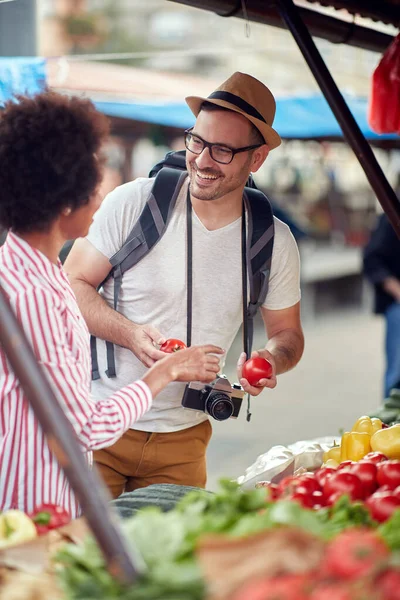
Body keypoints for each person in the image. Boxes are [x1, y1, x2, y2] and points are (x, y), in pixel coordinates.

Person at [65, 72, 305, 498]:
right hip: (97, 422)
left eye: (224, 150)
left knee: (165, 558)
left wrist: (271, 359)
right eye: (197, 140)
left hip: (185, 437)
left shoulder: (274, 240)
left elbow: (288, 334)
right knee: (84, 554)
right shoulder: (133, 202)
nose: (203, 160)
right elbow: (72, 285)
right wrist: (130, 334)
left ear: (258, 158)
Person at [0, 91, 223, 518]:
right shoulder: (34, 297)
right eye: (92, 187)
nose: (100, 199)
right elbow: (86, 428)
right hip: (33, 511)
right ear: (64, 200)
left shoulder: (29, 269)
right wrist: (165, 372)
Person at [363, 210, 400, 398]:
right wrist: (396, 289)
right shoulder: (392, 212)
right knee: (397, 373)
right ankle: (389, 425)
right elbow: (371, 258)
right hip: (397, 306)